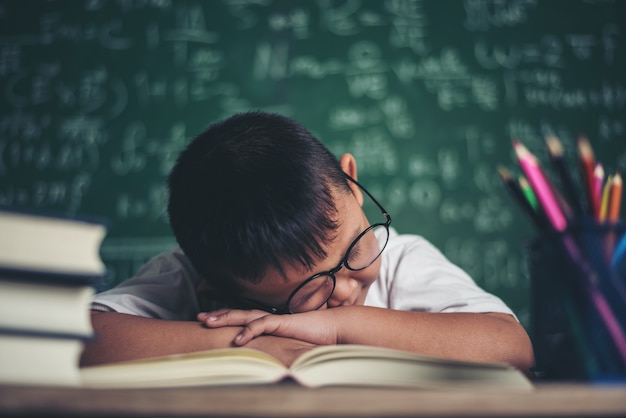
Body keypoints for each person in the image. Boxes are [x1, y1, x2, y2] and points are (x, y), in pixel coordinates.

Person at [83, 111, 534, 371]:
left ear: (352, 182)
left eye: (356, 249)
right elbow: (77, 340)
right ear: (220, 287)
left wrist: (336, 329)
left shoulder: (399, 259)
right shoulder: (189, 271)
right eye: (307, 292)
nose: (344, 289)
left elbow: (510, 347)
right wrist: (252, 342)